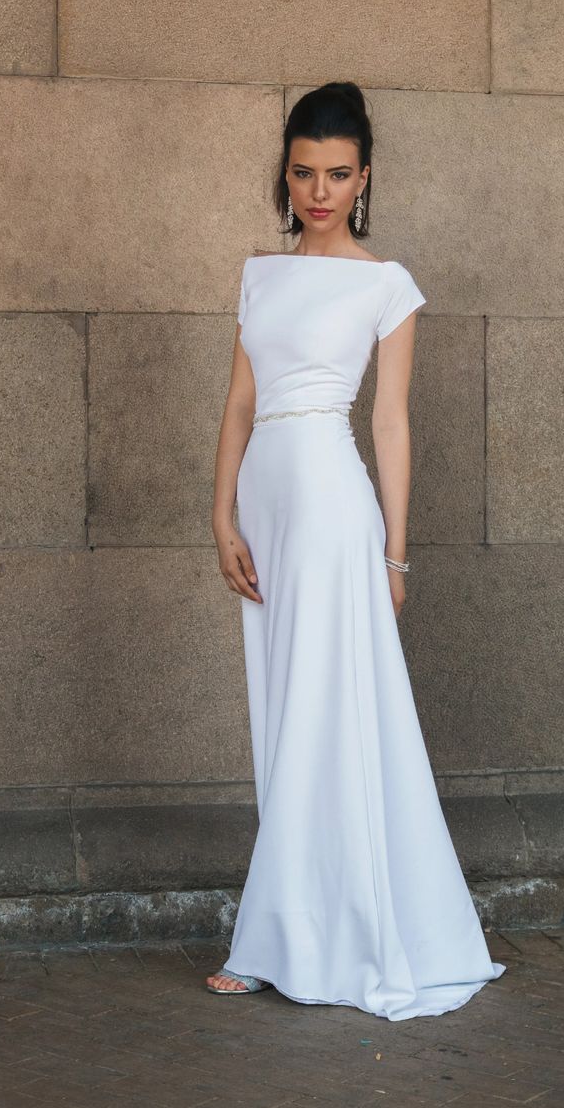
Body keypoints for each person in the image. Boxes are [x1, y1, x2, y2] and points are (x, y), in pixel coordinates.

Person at [207, 81, 506, 1020]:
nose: (319, 190)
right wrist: (220, 517)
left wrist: (396, 556)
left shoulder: (385, 284)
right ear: (285, 173)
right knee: (283, 712)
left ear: (364, 176)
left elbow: (388, 421)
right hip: (265, 508)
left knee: (318, 713)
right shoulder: (261, 274)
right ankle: (299, 918)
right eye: (303, 172)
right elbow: (240, 405)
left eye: (337, 174)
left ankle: (272, 940)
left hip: (336, 512)